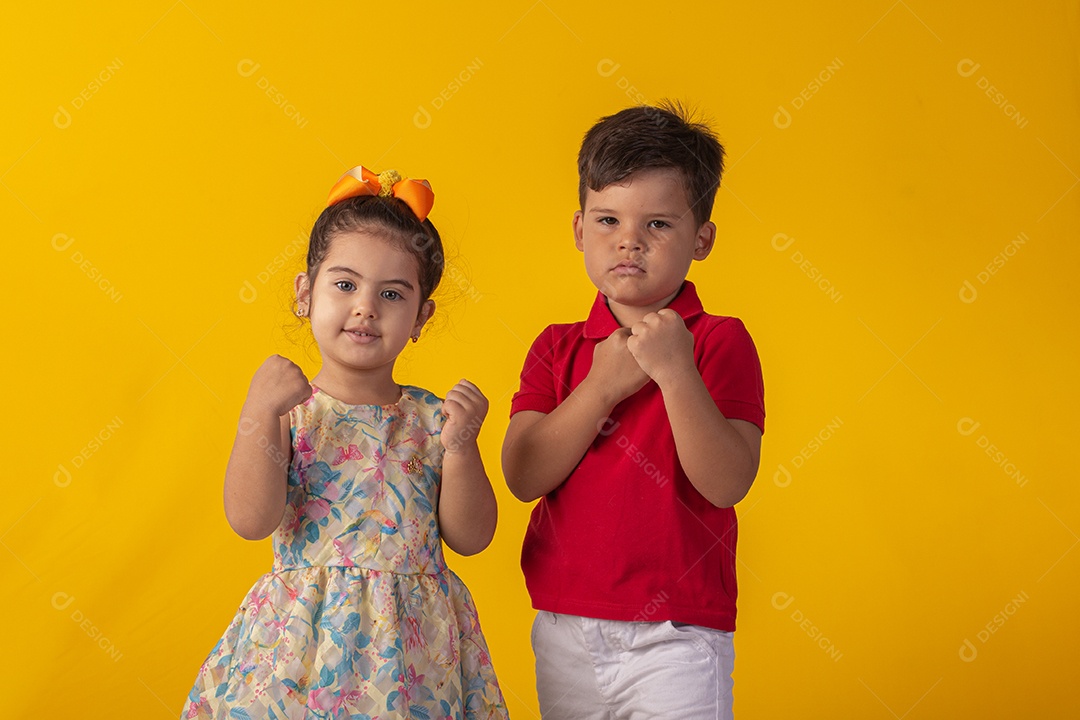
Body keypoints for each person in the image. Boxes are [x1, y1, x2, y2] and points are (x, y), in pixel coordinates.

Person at [184, 166, 508, 719]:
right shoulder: (289, 412)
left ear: (420, 317)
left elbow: (472, 537)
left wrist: (461, 447)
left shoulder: (432, 419)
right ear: (305, 294)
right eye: (345, 284)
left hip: (411, 657)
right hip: (300, 651)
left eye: (391, 293)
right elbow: (249, 518)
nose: (366, 306)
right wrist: (258, 413)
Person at [502, 103, 765, 719]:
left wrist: (675, 370)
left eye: (658, 224)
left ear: (702, 239)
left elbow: (727, 483)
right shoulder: (556, 347)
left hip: (678, 633)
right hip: (566, 626)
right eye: (608, 220)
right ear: (578, 230)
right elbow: (523, 475)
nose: (629, 240)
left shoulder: (720, 341)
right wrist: (600, 388)